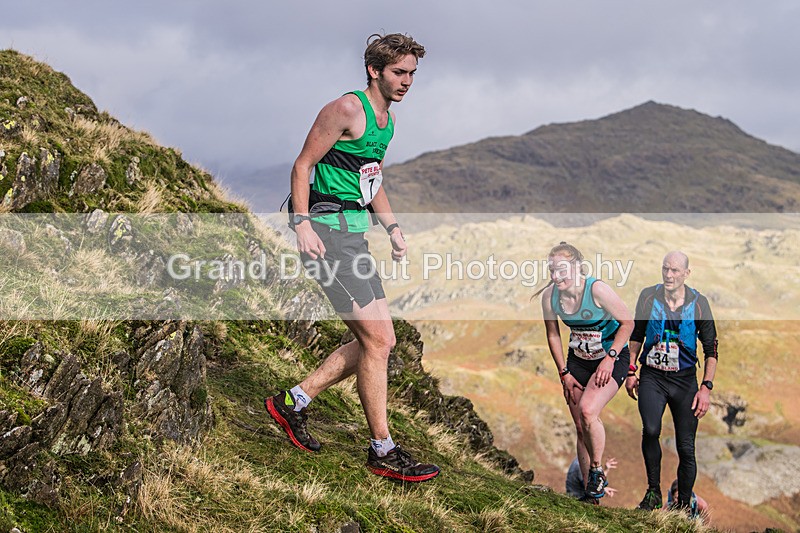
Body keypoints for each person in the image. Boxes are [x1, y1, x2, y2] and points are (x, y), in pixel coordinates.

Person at [265, 33, 440, 482]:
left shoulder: (387, 121)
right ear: (374, 71)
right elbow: (302, 164)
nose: (407, 82)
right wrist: (300, 224)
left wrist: (393, 228)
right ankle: (382, 448)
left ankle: (292, 402)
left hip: (354, 239)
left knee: (381, 340)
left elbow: (371, 179)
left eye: (412, 74)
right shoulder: (346, 109)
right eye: (399, 73)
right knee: (379, 341)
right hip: (324, 235)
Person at [537, 242, 634, 501]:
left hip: (611, 358)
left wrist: (610, 359)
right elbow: (553, 334)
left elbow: (628, 323)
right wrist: (564, 373)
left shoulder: (597, 290)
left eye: (561, 270)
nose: (556, 277)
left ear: (577, 267)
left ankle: (596, 470)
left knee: (589, 411)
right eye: (551, 270)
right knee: (580, 427)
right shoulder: (550, 297)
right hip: (577, 362)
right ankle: (589, 495)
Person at [625, 251, 718, 512]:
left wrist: (705, 388)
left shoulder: (699, 303)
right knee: (651, 430)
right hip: (653, 376)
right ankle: (653, 492)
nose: (669, 275)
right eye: (665, 269)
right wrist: (631, 371)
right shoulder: (648, 296)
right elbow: (637, 334)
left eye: (675, 270)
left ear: (686, 274)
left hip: (685, 382)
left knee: (686, 447)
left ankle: (684, 506)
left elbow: (711, 350)